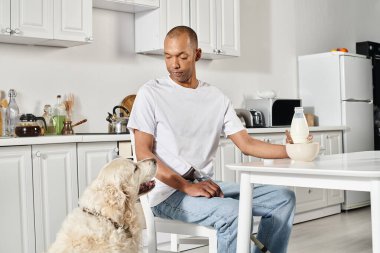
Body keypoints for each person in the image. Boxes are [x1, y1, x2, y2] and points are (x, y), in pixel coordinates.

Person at [127, 26, 295, 253]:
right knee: (233, 213)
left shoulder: (216, 98)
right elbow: (144, 154)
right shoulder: (151, 93)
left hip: (204, 186)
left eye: (182, 56)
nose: (174, 65)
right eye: (168, 56)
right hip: (167, 192)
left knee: (282, 198)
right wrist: (185, 186)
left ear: (197, 54)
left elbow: (247, 144)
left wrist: (292, 150)